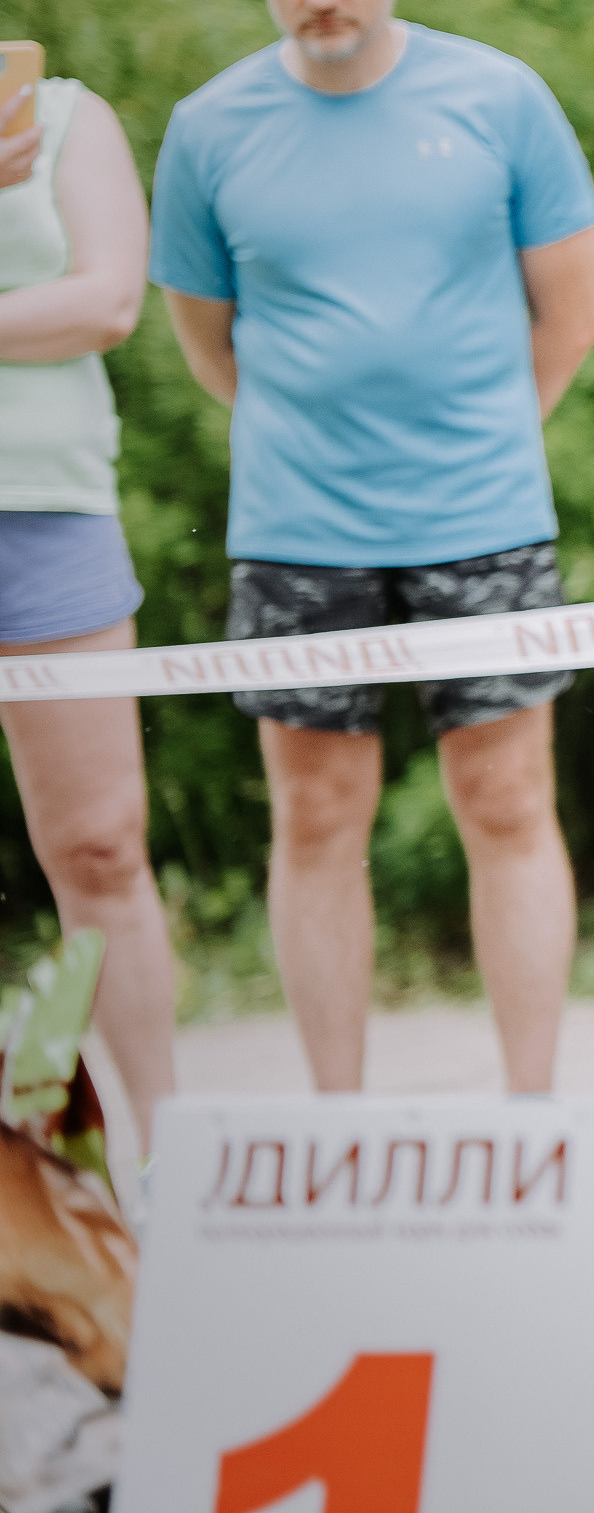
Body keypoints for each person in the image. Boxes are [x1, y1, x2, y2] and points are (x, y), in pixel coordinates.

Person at [151, 0, 594, 1095]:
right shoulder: (207, 128)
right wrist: (315, 435)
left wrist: (482, 436)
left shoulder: (500, 96)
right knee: (313, 818)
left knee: (508, 802)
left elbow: (568, 315)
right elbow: (208, 334)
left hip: (483, 515)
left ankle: (532, 1115)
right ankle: (334, 1120)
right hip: (296, 529)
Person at [0, 63, 178, 1150]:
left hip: (50, 513)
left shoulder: (64, 114)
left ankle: (162, 1156)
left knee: (103, 847)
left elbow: (107, 301)